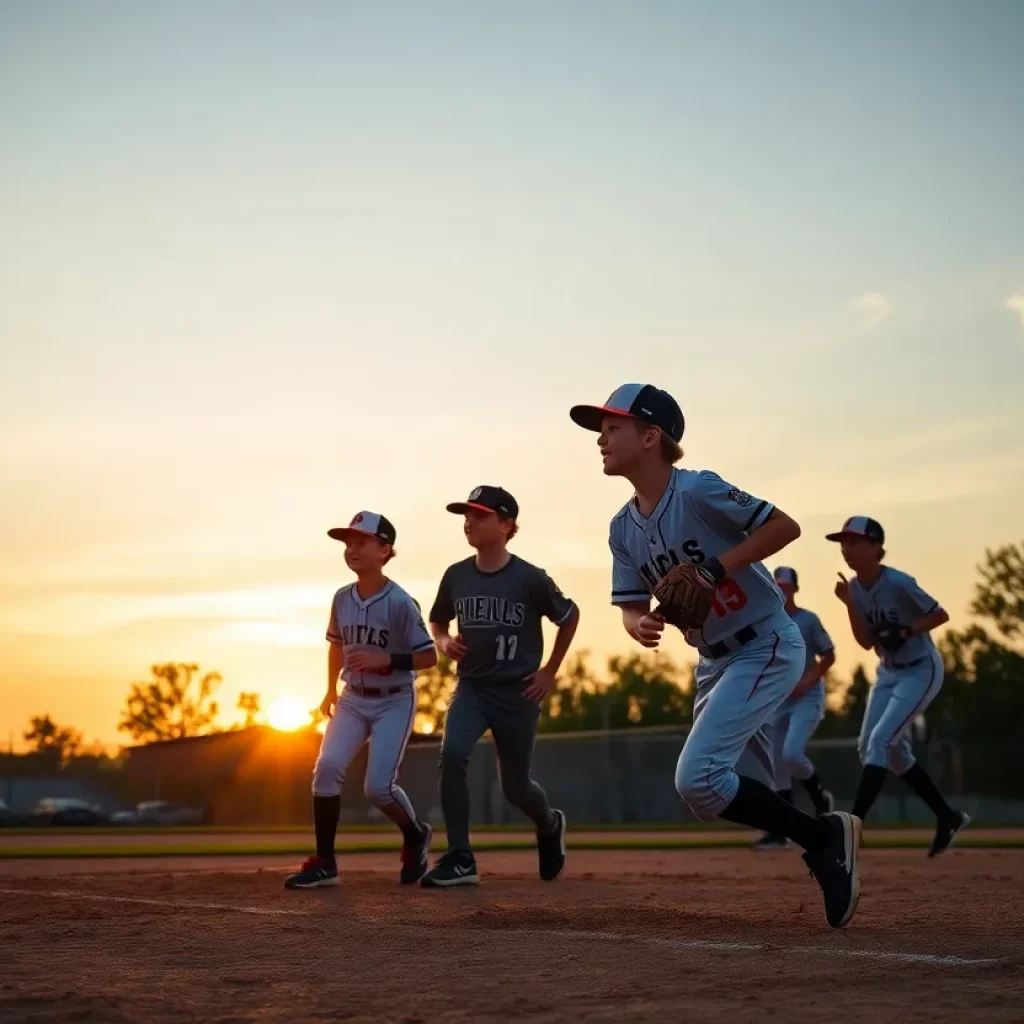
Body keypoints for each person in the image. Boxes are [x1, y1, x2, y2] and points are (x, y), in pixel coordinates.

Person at [569, 383, 861, 928]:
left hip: (765, 643)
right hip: (712, 663)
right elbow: (629, 607)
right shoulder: (621, 529)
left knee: (696, 776)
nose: (601, 439)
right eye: (601, 430)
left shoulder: (696, 490)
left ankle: (822, 840)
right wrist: (642, 625)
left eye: (613, 427)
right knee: (706, 791)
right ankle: (823, 834)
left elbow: (785, 527)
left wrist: (715, 567)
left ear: (651, 436)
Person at [421, 485, 579, 888]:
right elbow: (437, 619)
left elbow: (569, 614)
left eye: (479, 514)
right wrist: (441, 640)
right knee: (452, 754)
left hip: (518, 692)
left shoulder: (529, 578)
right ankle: (460, 855)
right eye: (466, 515)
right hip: (472, 688)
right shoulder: (456, 574)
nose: (469, 521)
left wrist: (550, 671)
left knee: (515, 787)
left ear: (507, 525)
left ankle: (549, 823)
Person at [285, 512, 436, 889]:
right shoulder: (341, 598)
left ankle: (416, 834)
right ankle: (325, 862)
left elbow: (428, 657)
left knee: (378, 788)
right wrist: (329, 688)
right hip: (352, 697)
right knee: (326, 768)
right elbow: (336, 644)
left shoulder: (400, 602)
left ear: (385, 550)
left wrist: (387, 659)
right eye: (348, 543)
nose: (352, 549)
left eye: (362, 542)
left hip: (394, 699)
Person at [828, 516, 969, 856]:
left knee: (881, 740)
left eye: (855, 542)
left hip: (921, 670)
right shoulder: (855, 589)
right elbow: (864, 643)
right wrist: (848, 604)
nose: (847, 549)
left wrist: (906, 631)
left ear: (876, 548)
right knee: (874, 747)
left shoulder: (899, 582)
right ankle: (947, 816)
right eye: (843, 543)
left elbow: (940, 614)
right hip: (889, 673)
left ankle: (852, 828)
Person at [753, 566, 836, 851]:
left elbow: (828, 654)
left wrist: (809, 680)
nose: (781, 591)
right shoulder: (764, 621)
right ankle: (781, 832)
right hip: (778, 699)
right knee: (777, 767)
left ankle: (820, 799)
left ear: (794, 589)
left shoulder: (808, 619)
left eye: (786, 587)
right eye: (777, 586)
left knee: (791, 754)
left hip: (807, 697)